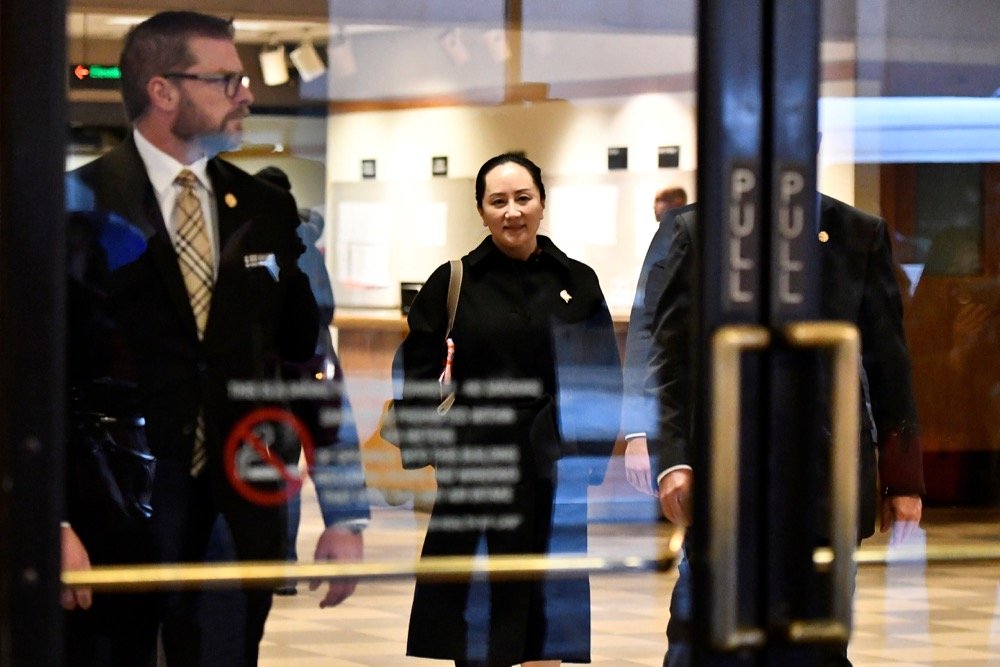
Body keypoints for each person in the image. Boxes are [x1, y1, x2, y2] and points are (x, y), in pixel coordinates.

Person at [62, 11, 365, 665]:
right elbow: (33, 381)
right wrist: (49, 520)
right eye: (227, 79)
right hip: (112, 510)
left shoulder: (263, 209)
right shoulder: (74, 205)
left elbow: (308, 357)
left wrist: (343, 509)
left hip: (237, 515)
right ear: (163, 90)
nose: (247, 93)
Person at [645, 195, 925, 665]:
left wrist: (903, 479)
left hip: (824, 474)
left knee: (818, 642)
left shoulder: (858, 233)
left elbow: (889, 364)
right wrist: (673, 458)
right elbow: (670, 360)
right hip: (728, 473)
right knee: (698, 635)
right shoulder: (701, 232)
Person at [395, 153, 623, 666]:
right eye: (498, 201)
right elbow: (414, 374)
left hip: (551, 469)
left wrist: (586, 458)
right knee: (478, 624)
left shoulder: (578, 281)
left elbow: (603, 377)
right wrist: (437, 453)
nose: (512, 211)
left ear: (542, 203)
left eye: (523, 198)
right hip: (478, 467)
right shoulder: (454, 280)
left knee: (547, 621)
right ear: (481, 210)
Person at [254, 165, 367, 594]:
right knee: (291, 462)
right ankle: (285, 563)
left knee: (275, 465)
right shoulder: (306, 240)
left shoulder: (258, 236)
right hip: (313, 369)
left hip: (271, 372)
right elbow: (329, 307)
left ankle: (274, 560)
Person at [622, 187, 689, 495]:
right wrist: (638, 430)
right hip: (696, 420)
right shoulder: (681, 224)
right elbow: (646, 328)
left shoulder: (818, 220)